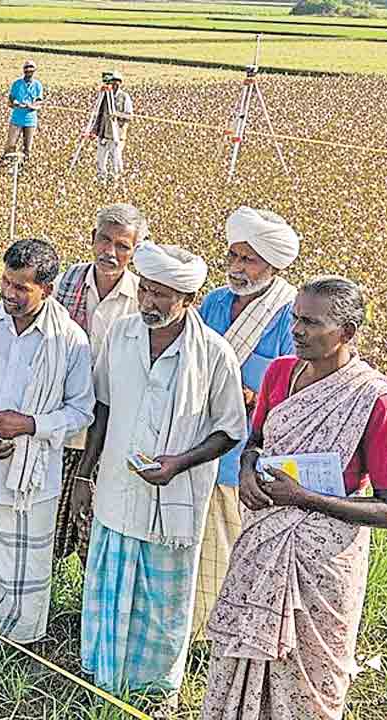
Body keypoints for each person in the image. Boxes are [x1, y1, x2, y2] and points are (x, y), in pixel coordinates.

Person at [203, 276, 387, 720]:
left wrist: (303, 498)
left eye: (311, 323)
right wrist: (247, 470)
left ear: (346, 332)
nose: (296, 330)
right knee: (238, 661)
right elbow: (256, 441)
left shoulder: (375, 401)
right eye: (295, 318)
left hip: (322, 565)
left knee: (310, 678)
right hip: (262, 543)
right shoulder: (279, 373)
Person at [69, 241, 247, 701]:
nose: (148, 302)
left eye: (161, 295)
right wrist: (85, 475)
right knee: (108, 588)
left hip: (175, 499)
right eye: (145, 290)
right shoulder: (122, 334)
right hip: (117, 488)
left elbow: (230, 430)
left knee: (163, 604)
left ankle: (152, 691)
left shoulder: (214, 354)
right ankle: (102, 679)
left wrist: (179, 463)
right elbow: (103, 407)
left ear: (188, 299)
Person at [0, 239, 94, 643]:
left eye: (21, 287)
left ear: (48, 289)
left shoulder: (70, 341)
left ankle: (14, 642)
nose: (9, 293)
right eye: (6, 281)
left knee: (22, 566)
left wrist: (30, 425)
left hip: (32, 481)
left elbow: (82, 411)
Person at [191, 206, 299, 639]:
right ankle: (192, 630)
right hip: (199, 438)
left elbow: (291, 388)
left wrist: (251, 396)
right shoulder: (215, 302)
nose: (237, 267)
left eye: (248, 260)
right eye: (233, 256)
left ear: (272, 265)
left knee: (230, 545)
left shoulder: (288, 315)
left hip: (245, 454)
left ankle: (223, 632)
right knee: (195, 544)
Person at [51, 203, 146, 569]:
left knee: (94, 533)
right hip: (62, 424)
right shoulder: (66, 283)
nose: (111, 252)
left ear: (135, 250)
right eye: (105, 240)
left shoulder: (140, 298)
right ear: (92, 239)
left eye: (123, 245)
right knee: (48, 526)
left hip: (112, 432)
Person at [3, 60, 44, 164]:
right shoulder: (17, 84)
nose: (29, 70)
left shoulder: (38, 85)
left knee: (27, 148)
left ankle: (24, 167)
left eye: (31, 68)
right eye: (26, 68)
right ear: (23, 70)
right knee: (11, 145)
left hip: (30, 120)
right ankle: (7, 164)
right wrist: (15, 103)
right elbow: (11, 99)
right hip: (17, 119)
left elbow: (39, 102)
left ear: (34, 70)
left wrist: (31, 106)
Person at [94, 71, 133, 181]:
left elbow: (129, 116)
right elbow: (98, 113)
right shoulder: (105, 96)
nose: (114, 84)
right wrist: (95, 129)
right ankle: (101, 179)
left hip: (117, 135)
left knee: (116, 161)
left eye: (116, 82)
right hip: (103, 134)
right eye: (112, 82)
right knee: (101, 161)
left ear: (120, 83)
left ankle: (116, 179)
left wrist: (117, 114)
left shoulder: (124, 97)